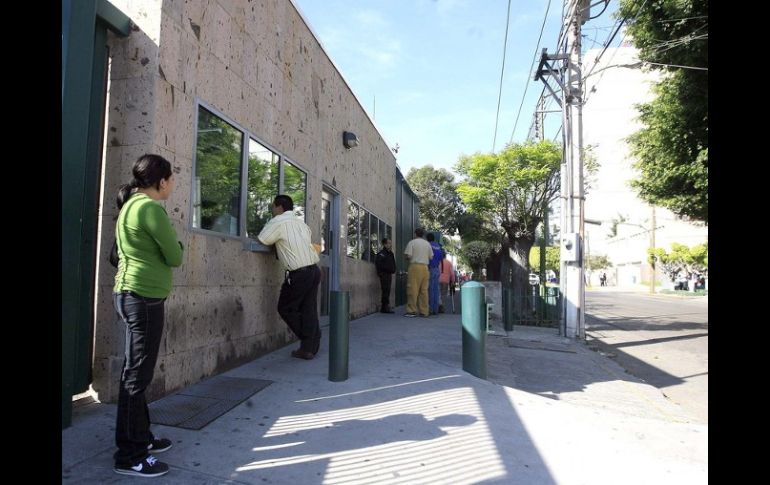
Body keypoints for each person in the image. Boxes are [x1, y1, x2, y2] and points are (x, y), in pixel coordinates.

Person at [113, 154, 184, 478]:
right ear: (161, 181)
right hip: (143, 298)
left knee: (136, 373)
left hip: (132, 294)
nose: (172, 185)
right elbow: (174, 255)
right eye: (171, 179)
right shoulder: (150, 209)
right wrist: (177, 245)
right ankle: (130, 456)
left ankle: (141, 437)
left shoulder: (131, 204)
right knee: (136, 376)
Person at [258, 194, 322, 360]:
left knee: (285, 308)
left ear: (279, 207)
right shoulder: (301, 224)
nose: (272, 210)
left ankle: (309, 338)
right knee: (309, 309)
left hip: (299, 273)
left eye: (273, 207)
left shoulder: (278, 221)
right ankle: (310, 346)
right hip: (314, 270)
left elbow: (263, 239)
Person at [403, 228, 433, 317]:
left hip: (415, 267)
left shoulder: (412, 242)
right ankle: (424, 311)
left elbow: (408, 255)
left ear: (415, 234)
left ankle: (412, 310)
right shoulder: (427, 244)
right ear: (423, 234)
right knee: (424, 290)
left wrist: (406, 258)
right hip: (425, 268)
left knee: (413, 289)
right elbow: (431, 257)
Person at [374, 238, 396, 313]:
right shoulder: (381, 253)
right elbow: (379, 264)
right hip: (384, 274)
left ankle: (385, 307)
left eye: (390, 243)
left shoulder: (390, 253)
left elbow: (393, 263)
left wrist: (393, 269)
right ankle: (385, 307)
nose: (390, 245)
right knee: (385, 290)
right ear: (384, 244)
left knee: (388, 290)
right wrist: (381, 273)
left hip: (389, 274)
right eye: (388, 243)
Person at [426, 233, 444, 315]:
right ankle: (435, 309)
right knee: (436, 289)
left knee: (430, 289)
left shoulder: (428, 245)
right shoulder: (438, 246)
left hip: (429, 268)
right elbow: (441, 258)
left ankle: (430, 309)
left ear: (427, 239)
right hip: (437, 269)